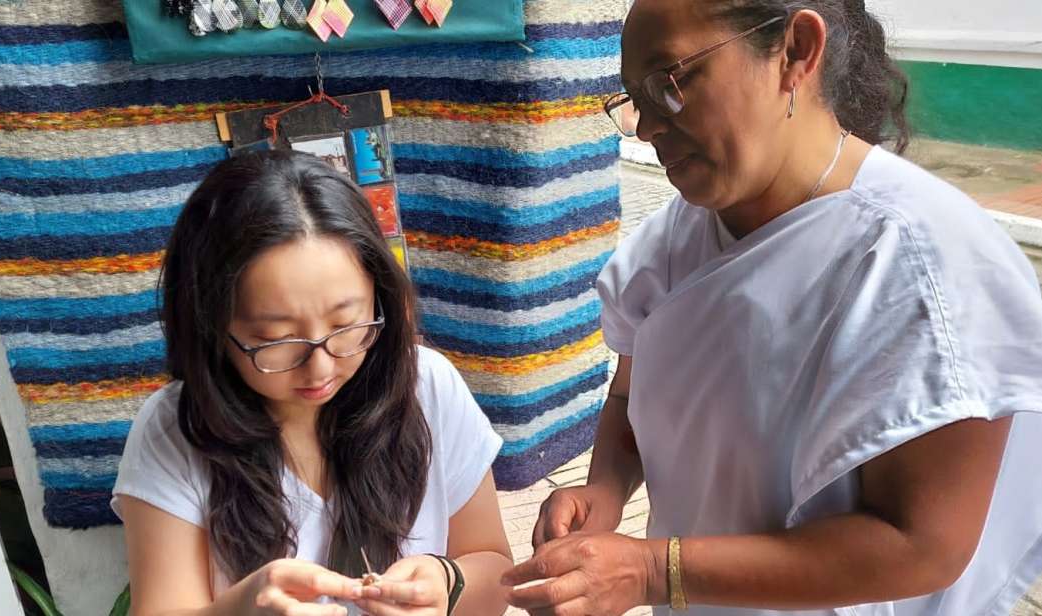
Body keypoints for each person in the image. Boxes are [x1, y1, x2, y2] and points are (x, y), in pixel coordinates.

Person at [503, 1, 1042, 614]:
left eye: (671, 82)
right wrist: (604, 488)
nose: (648, 126)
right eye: (634, 99)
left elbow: (923, 546)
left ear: (795, 53)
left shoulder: (923, 265)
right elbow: (631, 394)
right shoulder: (676, 239)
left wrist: (655, 570)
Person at [112, 151, 513, 616]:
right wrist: (238, 610)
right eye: (276, 341)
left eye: (346, 324)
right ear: (209, 325)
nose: (320, 368)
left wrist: (449, 583)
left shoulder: (428, 385)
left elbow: (495, 570)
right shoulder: (174, 431)